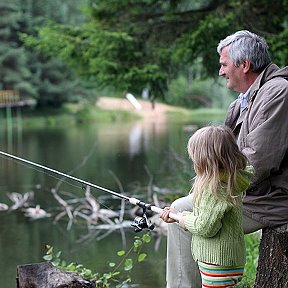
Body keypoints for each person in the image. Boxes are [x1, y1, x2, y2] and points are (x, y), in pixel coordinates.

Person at [163, 30, 288, 288]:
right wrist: (205, 188)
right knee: (181, 209)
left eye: (224, 64)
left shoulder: (278, 92)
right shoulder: (242, 101)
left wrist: (212, 191)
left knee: (183, 212)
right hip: (248, 193)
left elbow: (258, 162)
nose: (220, 71)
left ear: (244, 65)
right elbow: (223, 159)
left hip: (272, 199)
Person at [160, 125, 254, 287]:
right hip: (226, 261)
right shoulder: (231, 179)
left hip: (217, 263)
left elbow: (206, 227)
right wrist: (180, 216)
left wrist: (182, 218)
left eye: (195, 157)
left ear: (205, 160)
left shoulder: (215, 188)